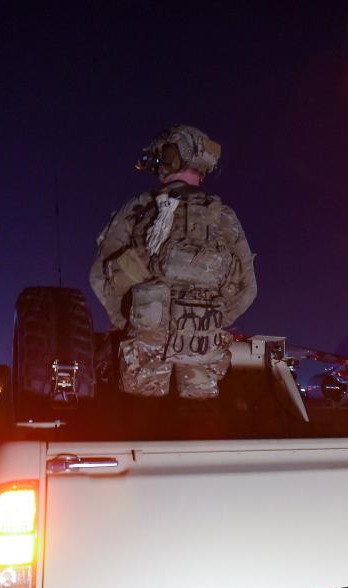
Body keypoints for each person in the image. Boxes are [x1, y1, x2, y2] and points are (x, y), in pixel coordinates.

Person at [89, 125, 257, 399]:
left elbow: (100, 275)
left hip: (144, 353)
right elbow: (248, 289)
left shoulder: (139, 207)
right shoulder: (224, 217)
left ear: (171, 156)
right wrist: (210, 320)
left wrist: (133, 321)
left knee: (140, 410)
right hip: (203, 350)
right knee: (198, 417)